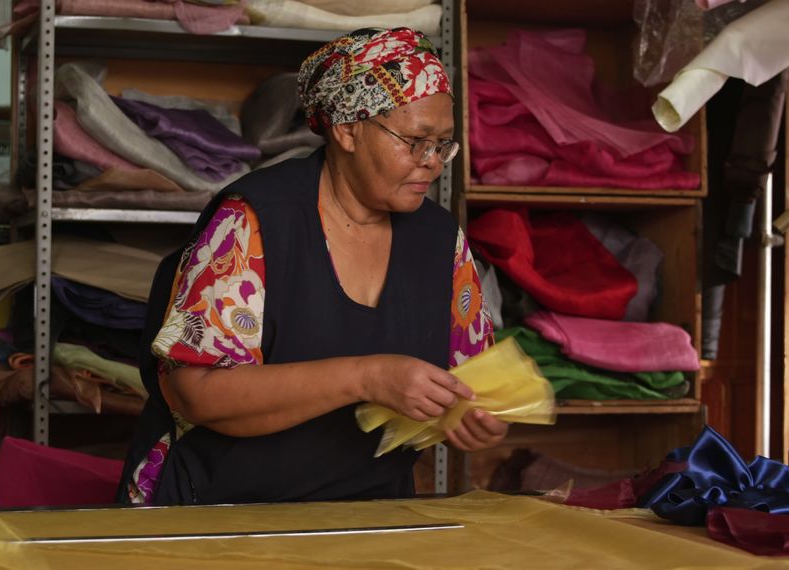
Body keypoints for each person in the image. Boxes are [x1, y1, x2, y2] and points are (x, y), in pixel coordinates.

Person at [118, 27, 505, 506]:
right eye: (414, 140)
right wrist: (367, 378)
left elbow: (469, 379)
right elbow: (195, 391)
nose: (432, 162)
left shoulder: (440, 241)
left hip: (367, 514)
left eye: (443, 144)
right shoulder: (254, 220)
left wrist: (465, 413)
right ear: (347, 130)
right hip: (218, 509)